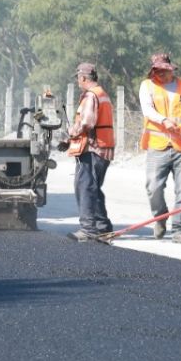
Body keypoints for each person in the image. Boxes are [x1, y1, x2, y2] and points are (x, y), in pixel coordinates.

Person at [138, 52, 181, 242]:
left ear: (171, 69)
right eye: (157, 71)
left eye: (164, 71)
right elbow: (147, 110)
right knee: (153, 187)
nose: (161, 74)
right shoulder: (147, 86)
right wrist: (164, 120)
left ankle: (179, 229)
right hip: (158, 145)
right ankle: (160, 217)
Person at [65, 63, 116, 243]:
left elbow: (86, 123)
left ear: (83, 78)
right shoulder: (102, 94)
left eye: (79, 78)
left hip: (93, 149)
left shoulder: (91, 96)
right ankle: (103, 228)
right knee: (93, 188)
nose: (79, 81)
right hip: (103, 147)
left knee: (84, 187)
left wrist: (71, 132)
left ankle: (88, 229)